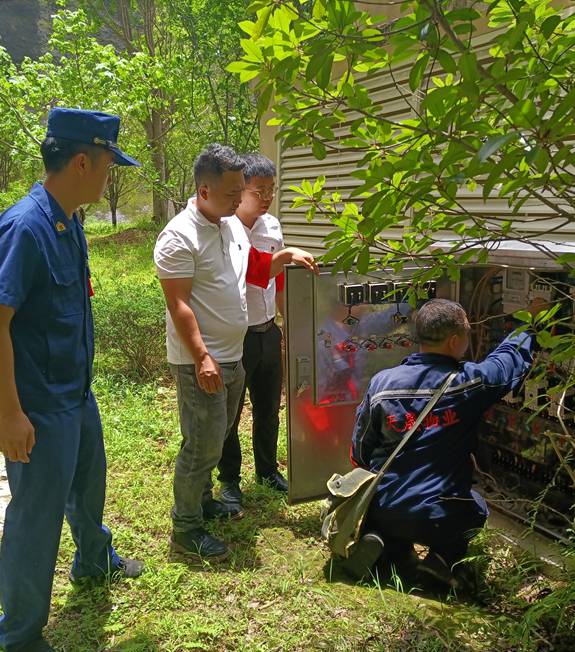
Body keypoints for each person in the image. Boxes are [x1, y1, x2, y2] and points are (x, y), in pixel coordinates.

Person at [0, 108, 144, 652]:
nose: (108, 176)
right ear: (82, 161)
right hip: (40, 405)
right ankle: (21, 636)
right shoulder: (25, 227)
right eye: (107, 165)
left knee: (88, 486)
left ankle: (94, 562)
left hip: (76, 392)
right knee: (36, 519)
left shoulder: (68, 218)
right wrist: (9, 414)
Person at [154, 144, 317, 561]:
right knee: (202, 444)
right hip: (203, 361)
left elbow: (255, 271)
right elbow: (179, 304)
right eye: (232, 192)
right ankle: (185, 529)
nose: (239, 198)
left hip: (234, 355)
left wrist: (285, 257)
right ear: (204, 190)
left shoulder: (227, 227)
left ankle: (204, 501)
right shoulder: (178, 236)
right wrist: (202, 357)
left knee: (219, 434)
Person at [346, 298, 541, 584]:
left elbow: (360, 451)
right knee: (476, 508)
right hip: (437, 515)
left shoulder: (382, 383)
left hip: (382, 506)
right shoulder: (470, 383)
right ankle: (440, 562)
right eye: (467, 331)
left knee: (393, 510)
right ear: (454, 341)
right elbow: (507, 361)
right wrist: (530, 324)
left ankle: (390, 547)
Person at [218, 153, 288, 510]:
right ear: (240, 190)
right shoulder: (225, 229)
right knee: (230, 413)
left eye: (271, 190)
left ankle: (266, 471)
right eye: (259, 190)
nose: (266, 197)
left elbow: (278, 279)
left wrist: (285, 321)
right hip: (236, 336)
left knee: (268, 408)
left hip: (267, 330)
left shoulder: (272, 226)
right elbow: (251, 271)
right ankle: (229, 480)